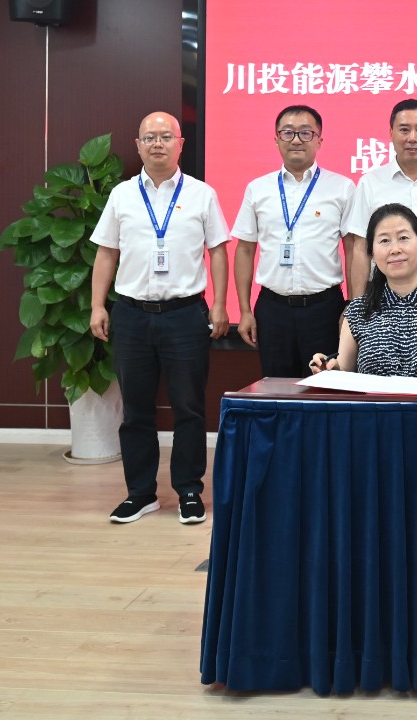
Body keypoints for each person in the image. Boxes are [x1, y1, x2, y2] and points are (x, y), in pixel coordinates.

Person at [89, 111, 230, 526]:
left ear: (180, 144)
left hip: (185, 315)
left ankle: (189, 491)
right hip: (132, 315)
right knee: (135, 410)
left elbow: (218, 251)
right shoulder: (122, 195)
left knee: (189, 408)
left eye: (166, 136)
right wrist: (98, 306)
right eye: (149, 137)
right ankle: (140, 493)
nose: (157, 143)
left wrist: (220, 304)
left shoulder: (202, 194)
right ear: (138, 145)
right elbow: (106, 253)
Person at [230, 104, 355, 378]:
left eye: (306, 133)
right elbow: (245, 250)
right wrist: (244, 310)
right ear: (276, 139)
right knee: (276, 387)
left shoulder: (342, 188)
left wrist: (353, 307)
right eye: (288, 132)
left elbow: (353, 250)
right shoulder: (258, 189)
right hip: (273, 310)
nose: (296, 139)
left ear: (320, 140)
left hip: (324, 309)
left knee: (324, 388)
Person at [310, 203, 417, 384]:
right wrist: (329, 369)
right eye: (384, 241)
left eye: (403, 238)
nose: (395, 249)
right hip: (376, 402)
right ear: (372, 253)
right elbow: (344, 372)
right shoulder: (357, 310)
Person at [344, 98, 417, 297]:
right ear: (391, 133)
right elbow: (361, 248)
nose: (412, 138)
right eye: (404, 130)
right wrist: (356, 305)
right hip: (382, 290)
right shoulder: (370, 183)